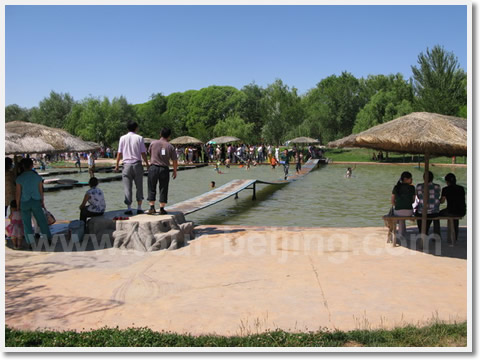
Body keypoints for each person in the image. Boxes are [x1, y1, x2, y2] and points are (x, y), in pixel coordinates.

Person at [15, 157, 52, 247]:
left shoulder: (19, 178)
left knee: (27, 224)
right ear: (32, 166)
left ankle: (30, 243)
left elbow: (18, 194)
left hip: (24, 202)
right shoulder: (37, 177)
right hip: (36, 201)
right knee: (42, 221)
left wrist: (17, 205)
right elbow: (41, 191)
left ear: (23, 166)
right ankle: (48, 238)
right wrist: (42, 202)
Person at [115, 121, 150, 215]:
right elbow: (143, 153)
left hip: (126, 164)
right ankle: (139, 207)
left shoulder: (122, 138)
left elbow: (119, 153)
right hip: (137, 164)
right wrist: (147, 164)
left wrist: (117, 164)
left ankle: (129, 208)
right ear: (136, 128)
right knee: (139, 186)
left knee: (127, 187)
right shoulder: (139, 138)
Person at [146, 128, 178, 215]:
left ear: (160, 134)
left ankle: (152, 207)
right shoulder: (170, 146)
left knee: (151, 187)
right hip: (164, 168)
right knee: (163, 188)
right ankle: (162, 208)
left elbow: (150, 153)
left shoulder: (153, 143)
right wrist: (175, 171)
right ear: (169, 136)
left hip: (153, 167)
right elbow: (175, 160)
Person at [439, 173, 466, 241]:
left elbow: (442, 201)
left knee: (437, 214)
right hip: (462, 211)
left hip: (451, 211)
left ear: (447, 182)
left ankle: (437, 235)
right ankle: (455, 237)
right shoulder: (461, 188)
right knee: (455, 216)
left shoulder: (445, 189)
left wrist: (436, 200)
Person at [414, 171, 441, 237]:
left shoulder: (419, 186)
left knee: (418, 213)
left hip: (422, 212)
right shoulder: (437, 186)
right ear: (432, 178)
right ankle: (435, 235)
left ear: (423, 178)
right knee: (435, 215)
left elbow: (417, 196)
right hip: (434, 212)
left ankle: (422, 231)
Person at [391, 171, 416, 240]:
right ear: (405, 179)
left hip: (398, 211)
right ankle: (402, 233)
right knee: (402, 214)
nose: (412, 180)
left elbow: (392, 202)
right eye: (411, 178)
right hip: (409, 212)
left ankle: (401, 233)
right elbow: (413, 201)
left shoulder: (396, 187)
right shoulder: (412, 188)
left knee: (398, 214)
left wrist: (398, 205)